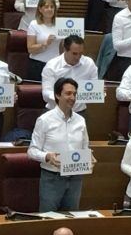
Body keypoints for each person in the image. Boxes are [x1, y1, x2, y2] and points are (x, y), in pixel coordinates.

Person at [28, 77, 93, 212]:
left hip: (75, 178)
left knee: (71, 217)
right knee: (48, 218)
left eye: (74, 94)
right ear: (57, 95)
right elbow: (32, 151)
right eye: (68, 93)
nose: (72, 97)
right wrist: (47, 156)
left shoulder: (81, 120)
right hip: (52, 178)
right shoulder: (44, 120)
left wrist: (89, 157)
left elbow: (85, 147)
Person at [41, 35, 99, 114]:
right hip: (55, 112)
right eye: (74, 54)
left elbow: (93, 88)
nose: (78, 57)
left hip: (79, 112)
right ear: (65, 50)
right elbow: (46, 94)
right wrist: (64, 97)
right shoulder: (51, 66)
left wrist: (98, 91)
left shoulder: (89, 64)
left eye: (80, 53)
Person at [26, 0, 59, 82]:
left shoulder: (60, 25)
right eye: (46, 7)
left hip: (56, 65)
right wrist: (45, 44)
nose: (50, 9)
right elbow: (30, 49)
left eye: (52, 7)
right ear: (40, 9)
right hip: (38, 65)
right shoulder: (34, 24)